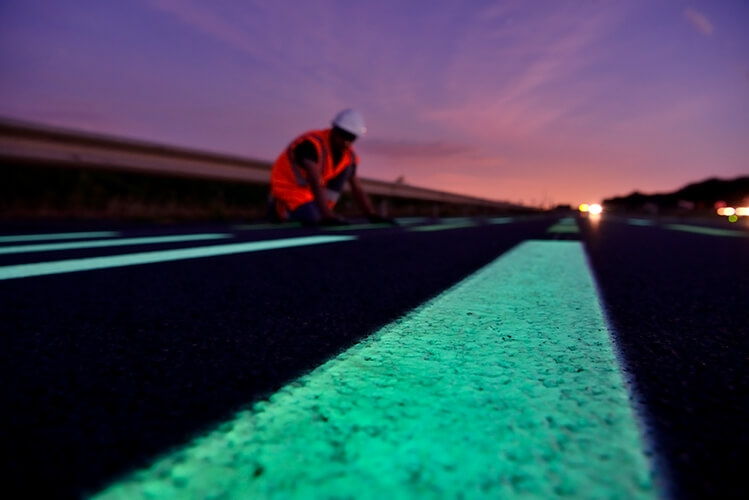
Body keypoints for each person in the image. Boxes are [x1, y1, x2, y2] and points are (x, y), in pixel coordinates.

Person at [268, 109, 395, 226]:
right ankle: (280, 207)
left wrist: (371, 215)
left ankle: (322, 211)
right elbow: (315, 179)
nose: (346, 142)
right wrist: (327, 216)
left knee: (348, 168)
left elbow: (357, 188)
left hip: (310, 193)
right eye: (344, 135)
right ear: (334, 130)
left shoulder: (349, 156)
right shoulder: (312, 143)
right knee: (313, 218)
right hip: (290, 188)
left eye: (351, 138)